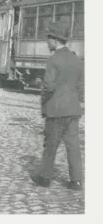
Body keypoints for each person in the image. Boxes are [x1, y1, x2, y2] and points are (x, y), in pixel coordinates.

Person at [31, 21, 84, 190]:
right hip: (73, 110)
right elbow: (81, 85)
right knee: (73, 146)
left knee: (51, 144)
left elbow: (48, 86)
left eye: (48, 39)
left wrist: (43, 103)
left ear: (55, 40)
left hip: (56, 111)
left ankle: (45, 177)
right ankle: (76, 180)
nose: (47, 42)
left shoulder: (53, 60)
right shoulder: (77, 59)